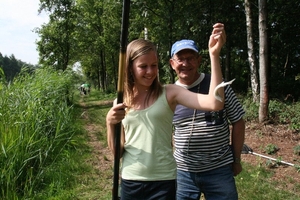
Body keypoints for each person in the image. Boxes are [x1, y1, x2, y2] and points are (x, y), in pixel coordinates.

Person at [106, 23, 226, 200]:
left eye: (154, 65)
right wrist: (110, 123)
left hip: (163, 181)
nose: (150, 72)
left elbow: (215, 103)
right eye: (143, 66)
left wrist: (214, 55)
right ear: (130, 67)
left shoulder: (170, 93)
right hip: (131, 179)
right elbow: (117, 153)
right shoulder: (121, 102)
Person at [169, 33, 245, 199]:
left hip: (219, 169)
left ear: (199, 60)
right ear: (172, 63)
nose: (185, 64)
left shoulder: (217, 86)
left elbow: (238, 121)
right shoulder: (169, 94)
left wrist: (237, 159)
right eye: (180, 59)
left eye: (190, 58)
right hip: (183, 171)